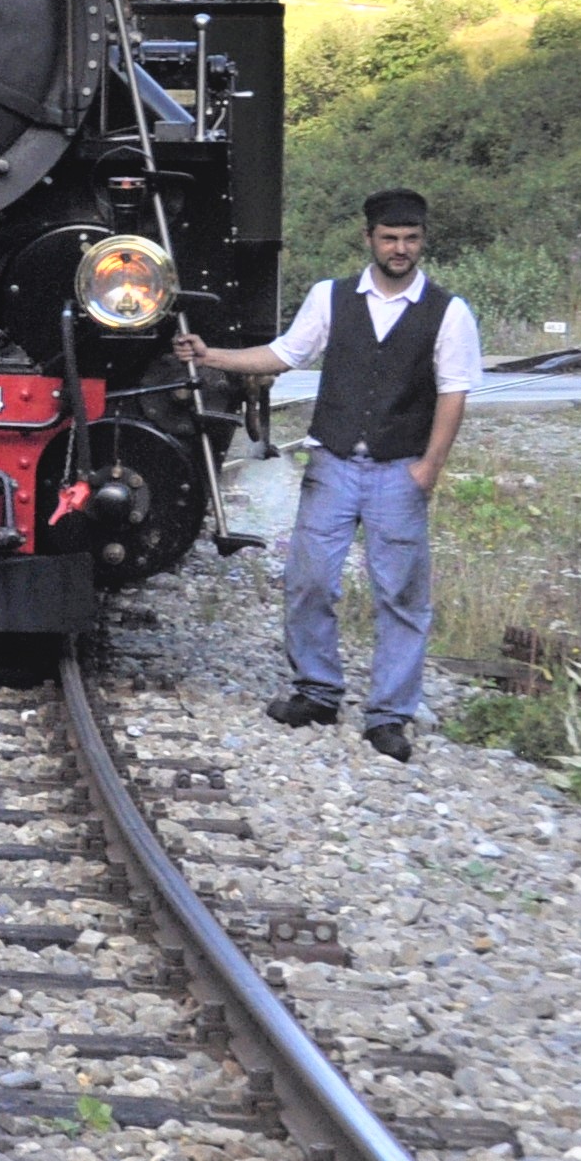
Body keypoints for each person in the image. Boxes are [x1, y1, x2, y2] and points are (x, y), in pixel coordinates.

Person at [177, 189, 478, 763]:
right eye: (389, 238)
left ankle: (390, 716)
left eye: (410, 238)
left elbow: (454, 392)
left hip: (400, 469)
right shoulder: (331, 298)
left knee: (403, 596)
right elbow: (285, 354)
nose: (400, 248)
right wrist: (211, 355)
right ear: (369, 239)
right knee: (310, 580)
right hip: (335, 462)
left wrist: (430, 467)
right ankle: (316, 691)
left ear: (422, 240)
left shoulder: (448, 311)